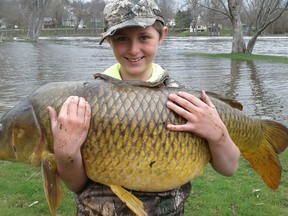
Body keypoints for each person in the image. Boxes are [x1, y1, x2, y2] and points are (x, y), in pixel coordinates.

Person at [47, 0, 240, 215]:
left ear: (162, 35)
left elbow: (229, 167)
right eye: (122, 39)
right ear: (108, 40)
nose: (133, 49)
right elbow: (77, 184)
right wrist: (66, 155)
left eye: (144, 37)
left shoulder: (189, 103)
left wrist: (219, 135)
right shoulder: (84, 103)